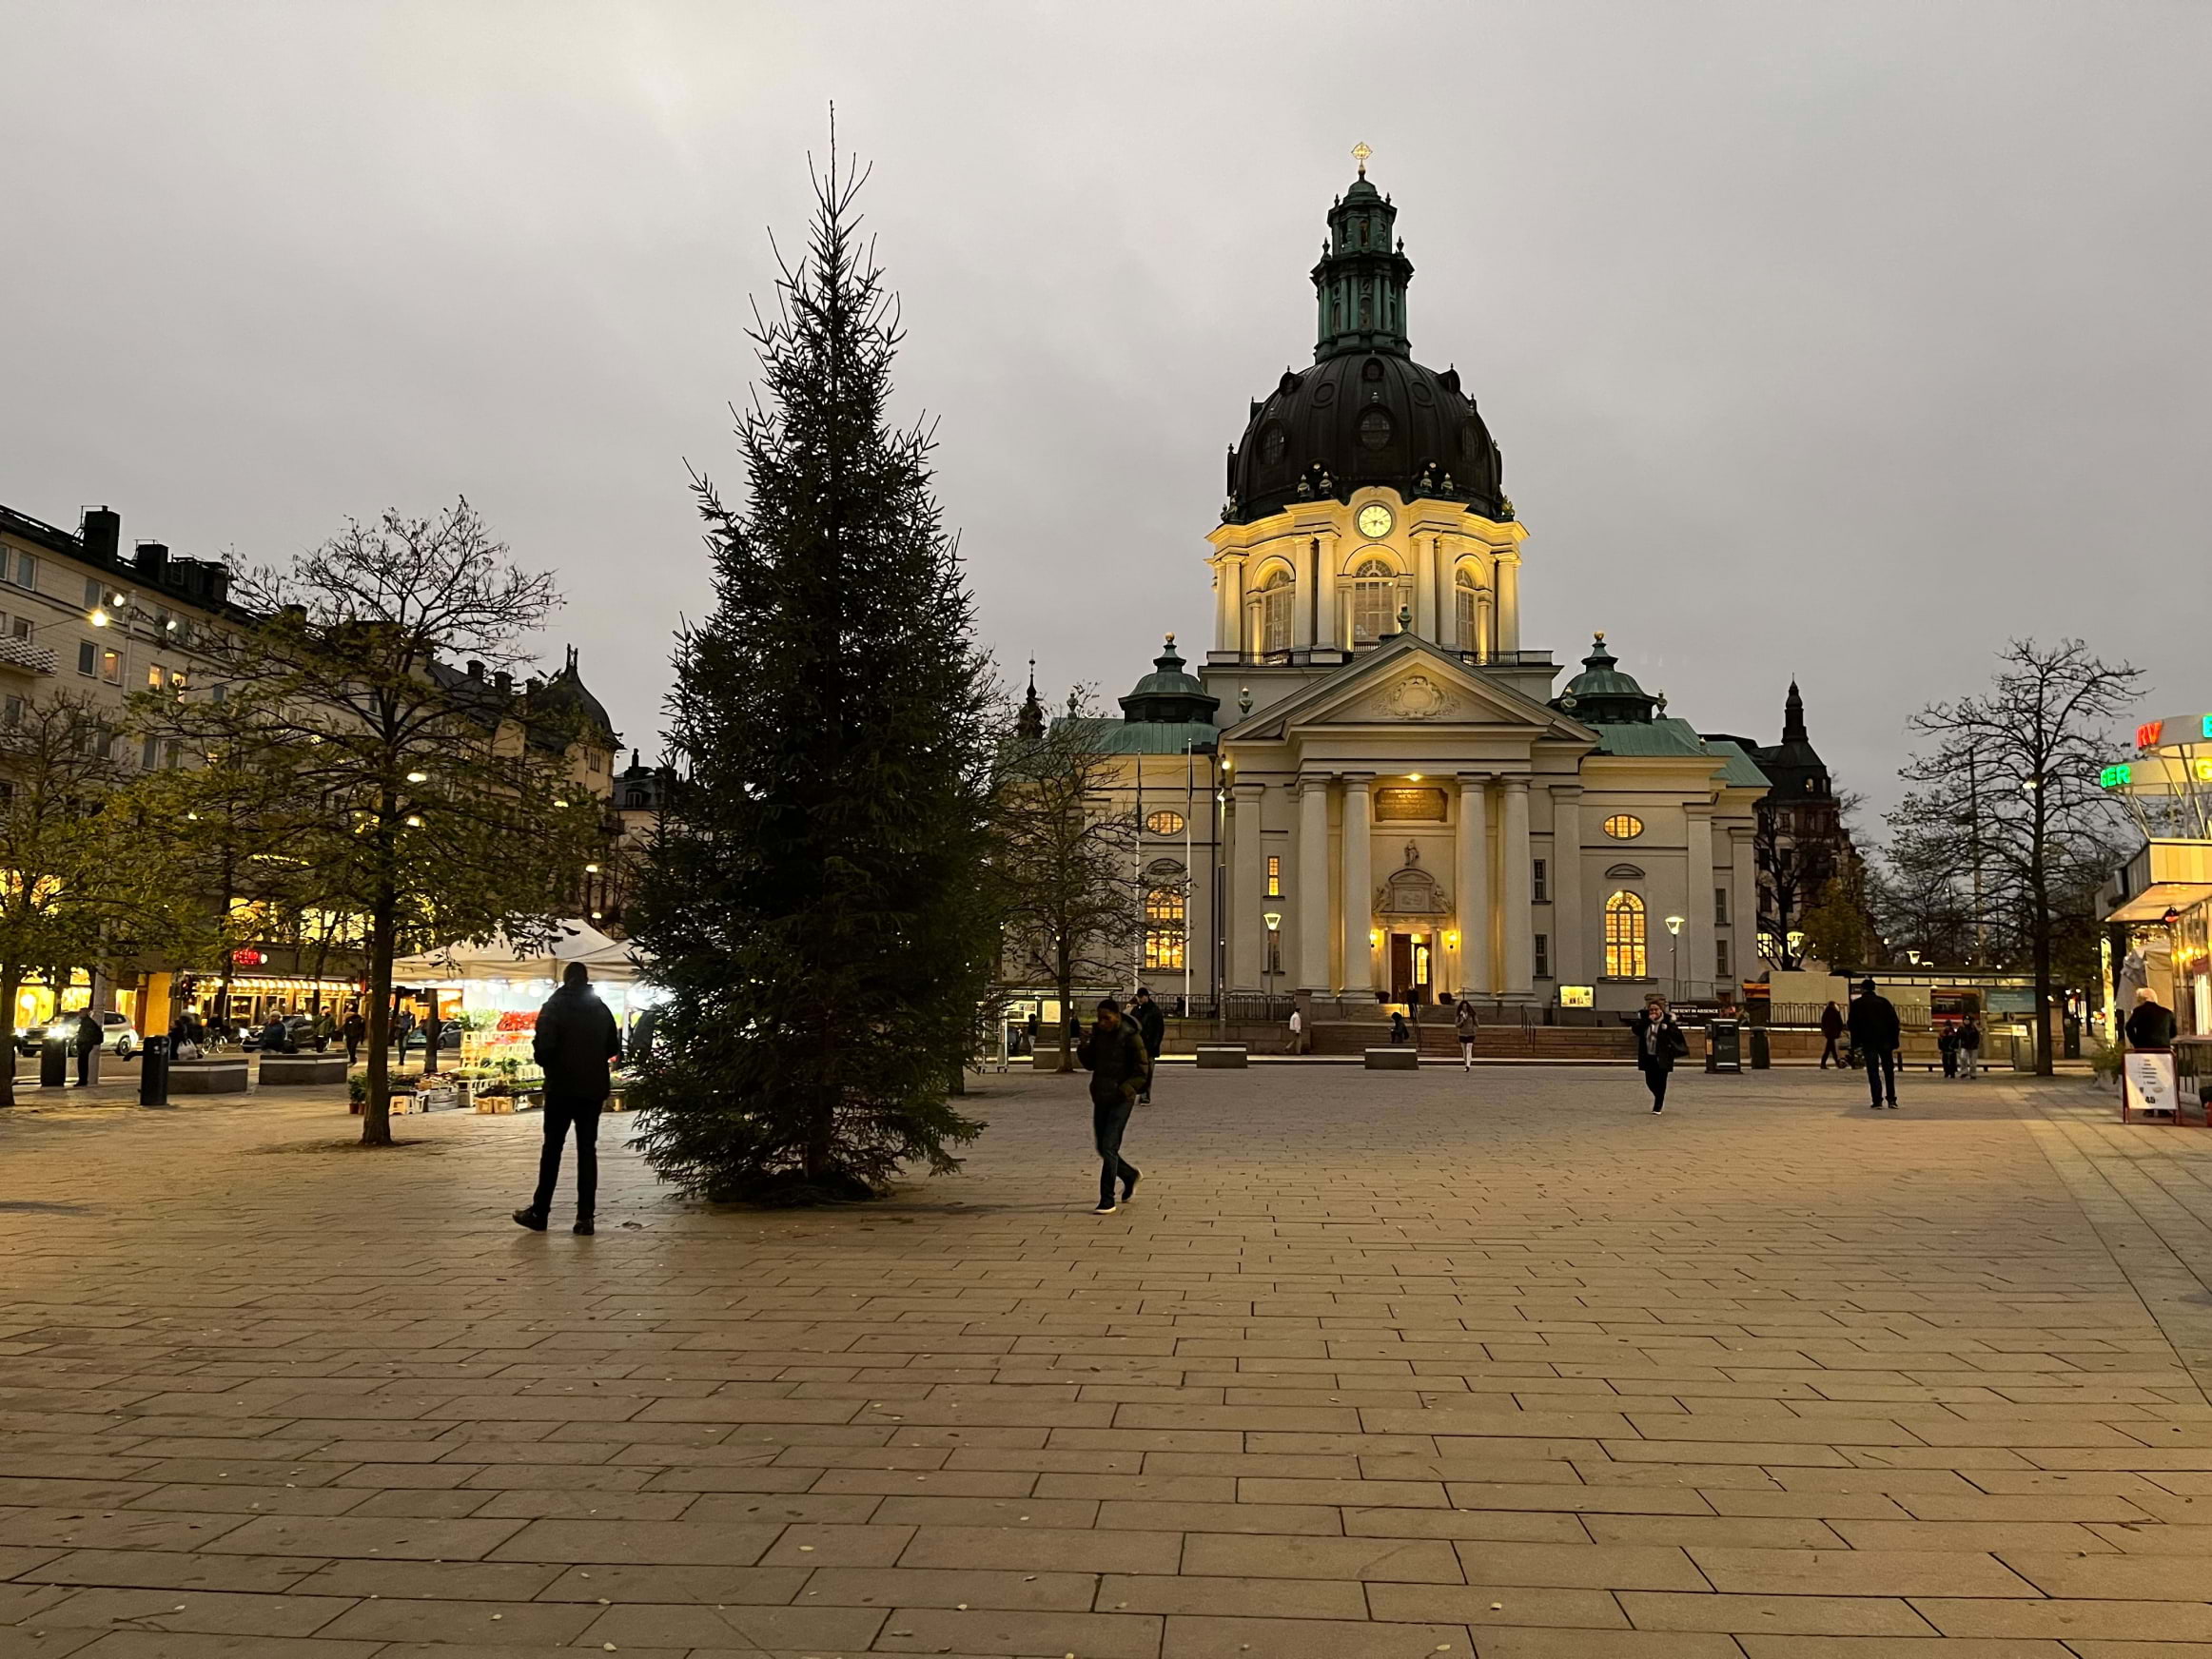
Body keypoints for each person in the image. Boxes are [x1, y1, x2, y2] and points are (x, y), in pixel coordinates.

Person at [514, 961, 622, 1237]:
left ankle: (540, 1212)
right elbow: (613, 1046)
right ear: (587, 979)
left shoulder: (554, 1006)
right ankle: (585, 1217)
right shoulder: (600, 1008)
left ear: (565, 979)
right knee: (587, 1150)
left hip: (561, 1087)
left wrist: (551, 1063)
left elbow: (544, 1047)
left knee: (552, 1149)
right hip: (592, 1087)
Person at [1075, 996, 1147, 1215]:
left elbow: (1143, 1071)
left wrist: (1125, 1090)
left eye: (1106, 1018)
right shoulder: (1098, 1035)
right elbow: (1090, 1065)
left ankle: (1107, 1199)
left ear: (1117, 1016)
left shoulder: (1130, 1037)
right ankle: (1129, 1174)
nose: (1103, 1022)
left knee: (1109, 1146)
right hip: (1101, 1096)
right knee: (1102, 1147)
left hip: (1121, 1098)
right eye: (1099, 1018)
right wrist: (1084, 1046)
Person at [1847, 978, 1901, 1109]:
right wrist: (1894, 1041)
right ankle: (1891, 1099)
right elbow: (1894, 1023)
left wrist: (1856, 1043)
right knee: (1888, 1071)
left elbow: (1852, 1024)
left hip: (1868, 1041)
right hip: (1885, 1041)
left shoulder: (1858, 1004)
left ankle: (1877, 1100)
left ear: (1863, 989)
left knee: (1873, 1070)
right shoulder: (1884, 1002)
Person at [1629, 992, 1686, 1112]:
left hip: (1663, 1056)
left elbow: (1677, 1036)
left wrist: (1668, 1027)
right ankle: (1658, 1096)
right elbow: (1636, 1030)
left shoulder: (1668, 1022)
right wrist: (1647, 1021)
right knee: (1650, 1081)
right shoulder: (1645, 1022)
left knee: (1661, 1080)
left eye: (1656, 1010)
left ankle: (1658, 1104)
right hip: (1649, 1055)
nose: (1653, 1012)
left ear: (1661, 1010)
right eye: (1651, 1010)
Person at [1131, 987, 1165, 1105]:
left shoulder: (1154, 1012)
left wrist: (1154, 1045)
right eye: (1138, 997)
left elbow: (1159, 1031)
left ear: (1146, 997)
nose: (1139, 999)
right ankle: (1141, 1093)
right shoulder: (1136, 1010)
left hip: (1149, 1047)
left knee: (1148, 1072)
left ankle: (1145, 1095)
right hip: (1138, 1047)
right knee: (1139, 1072)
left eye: (1141, 997)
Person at [2126, 987, 2177, 1052]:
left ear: (2143, 999)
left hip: (2143, 1050)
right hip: (2164, 1050)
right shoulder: (2168, 1013)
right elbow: (2174, 1033)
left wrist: (2135, 1042)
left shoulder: (2138, 1011)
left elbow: (2129, 1027)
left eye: (2138, 1001)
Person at [73, 1006, 102, 1085]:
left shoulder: (88, 1023)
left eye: (81, 1012)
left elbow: (88, 1035)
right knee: (82, 1063)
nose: (79, 1014)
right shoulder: (85, 1022)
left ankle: (82, 1080)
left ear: (85, 1013)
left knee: (82, 1063)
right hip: (84, 1045)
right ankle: (82, 1080)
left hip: (85, 1046)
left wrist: (84, 1044)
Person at [1454, 996, 1480, 1071]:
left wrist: (1474, 1030)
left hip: (1470, 1034)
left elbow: (1476, 1024)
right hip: (1462, 1034)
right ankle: (1466, 1064)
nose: (1464, 1008)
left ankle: (1468, 1065)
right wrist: (1462, 1021)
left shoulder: (1472, 1014)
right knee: (1464, 1051)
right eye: (1463, 1006)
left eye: (1465, 1006)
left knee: (1469, 1049)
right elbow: (1457, 1025)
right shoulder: (1459, 1015)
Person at [1818, 1002, 1844, 1069]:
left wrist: (1824, 1031)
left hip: (1828, 1033)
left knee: (1832, 1049)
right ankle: (1824, 1063)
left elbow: (1823, 1022)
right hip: (1834, 1032)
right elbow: (1840, 1023)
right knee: (1829, 1049)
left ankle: (1835, 1063)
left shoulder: (1826, 1013)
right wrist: (1839, 1031)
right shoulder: (1836, 1012)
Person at [1957, 1015, 1983, 1081]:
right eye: (1965, 1020)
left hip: (1973, 1047)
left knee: (1973, 1062)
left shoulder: (1974, 1028)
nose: (1966, 1021)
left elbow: (1977, 1038)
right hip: (1964, 1046)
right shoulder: (1961, 1028)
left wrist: (1975, 1044)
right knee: (1963, 1058)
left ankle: (1973, 1073)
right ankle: (1964, 1071)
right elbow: (1958, 1037)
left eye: (1967, 1020)